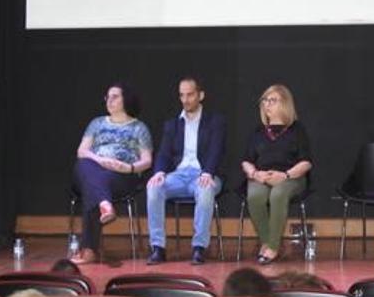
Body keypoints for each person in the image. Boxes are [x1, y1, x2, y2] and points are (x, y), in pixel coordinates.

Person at [146, 77, 226, 265]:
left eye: (190, 94)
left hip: (205, 174)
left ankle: (199, 247)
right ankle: (158, 247)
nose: (185, 99)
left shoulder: (215, 121)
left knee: (205, 190)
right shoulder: (172, 124)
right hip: (179, 175)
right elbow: (164, 152)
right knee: (154, 188)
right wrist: (159, 172)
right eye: (182, 95)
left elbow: (217, 149)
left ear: (201, 95)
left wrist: (207, 172)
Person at [71, 82, 153, 264]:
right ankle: (104, 202)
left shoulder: (139, 128)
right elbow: (82, 151)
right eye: (107, 96)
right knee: (85, 165)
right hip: (92, 168)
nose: (109, 100)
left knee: (92, 187)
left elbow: (147, 161)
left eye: (115, 96)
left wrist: (128, 168)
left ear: (127, 100)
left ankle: (89, 250)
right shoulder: (96, 123)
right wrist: (100, 160)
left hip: (120, 176)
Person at [241, 84, 313, 265]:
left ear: (285, 104)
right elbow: (246, 160)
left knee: (278, 194)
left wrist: (286, 175)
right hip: (262, 176)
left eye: (272, 100)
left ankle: (271, 248)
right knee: (255, 195)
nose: (267, 104)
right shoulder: (258, 131)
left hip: (291, 177)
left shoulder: (297, 129)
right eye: (265, 100)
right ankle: (269, 242)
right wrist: (255, 173)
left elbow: (306, 162)